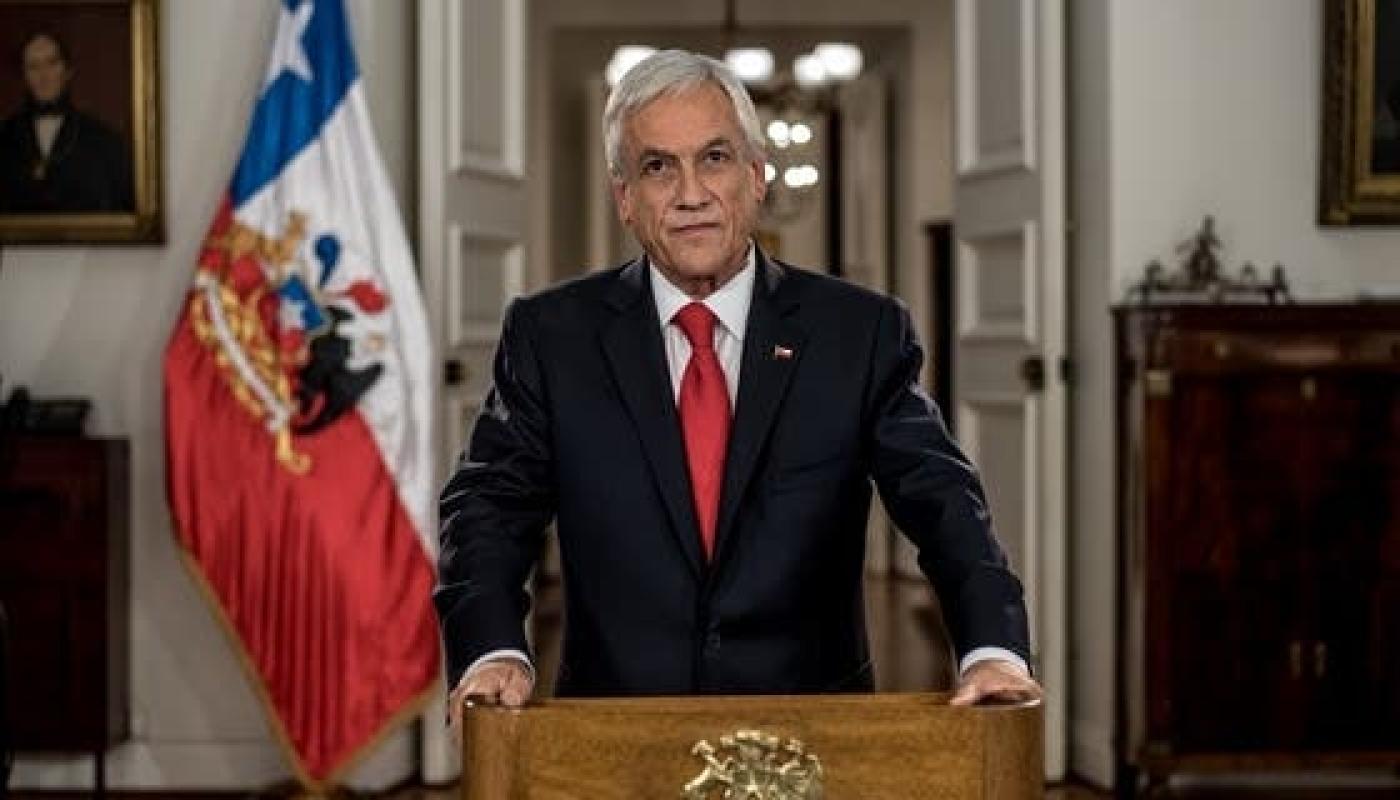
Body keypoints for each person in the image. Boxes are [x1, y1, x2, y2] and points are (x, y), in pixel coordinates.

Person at [436, 49, 1041, 730]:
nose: (691, 193)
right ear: (625, 198)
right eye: (658, 167)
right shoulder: (551, 335)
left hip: (810, 724)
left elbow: (942, 499)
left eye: (715, 158)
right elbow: (489, 505)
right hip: (614, 726)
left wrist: (992, 648)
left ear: (756, 176)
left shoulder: (859, 332)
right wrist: (491, 648)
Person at [0, 31, 133, 213]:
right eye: (33, 66)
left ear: (68, 71)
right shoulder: (5, 135)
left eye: (51, 63)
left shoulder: (102, 140)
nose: (43, 75)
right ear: (24, 76)